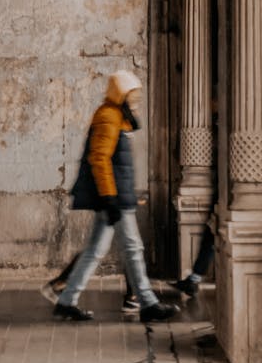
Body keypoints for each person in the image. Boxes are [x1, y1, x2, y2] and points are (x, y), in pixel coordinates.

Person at [52, 69, 178, 323]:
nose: (137, 99)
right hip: (115, 197)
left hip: (117, 195)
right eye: (133, 94)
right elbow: (100, 158)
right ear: (121, 93)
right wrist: (110, 197)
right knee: (132, 248)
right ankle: (148, 302)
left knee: (96, 250)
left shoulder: (119, 116)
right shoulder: (109, 116)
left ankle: (66, 301)